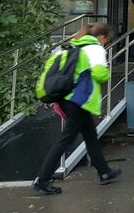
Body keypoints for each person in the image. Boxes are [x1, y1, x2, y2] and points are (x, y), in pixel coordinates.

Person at [32, 23, 122, 195]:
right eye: (106, 40)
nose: (105, 43)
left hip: (67, 98)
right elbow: (100, 75)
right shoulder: (95, 49)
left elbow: (51, 67)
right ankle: (42, 179)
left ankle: (104, 172)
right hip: (79, 100)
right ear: (102, 37)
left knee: (90, 136)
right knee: (66, 139)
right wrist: (106, 68)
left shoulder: (70, 47)